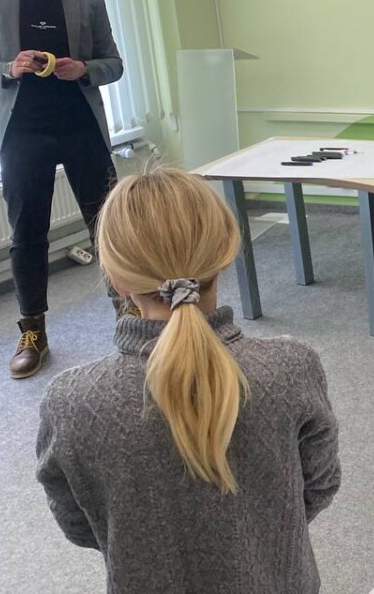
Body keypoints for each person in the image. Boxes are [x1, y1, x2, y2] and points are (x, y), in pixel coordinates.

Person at [35, 167, 341, 593]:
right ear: (225, 255)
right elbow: (319, 485)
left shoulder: (71, 401)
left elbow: (79, 524)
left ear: (117, 280)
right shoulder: (291, 367)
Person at [0, 0, 123, 379]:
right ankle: (33, 329)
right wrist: (8, 69)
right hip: (23, 132)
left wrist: (84, 69)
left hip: (81, 127)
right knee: (27, 233)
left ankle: (129, 309)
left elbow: (114, 64)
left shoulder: (87, 0)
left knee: (109, 226)